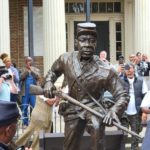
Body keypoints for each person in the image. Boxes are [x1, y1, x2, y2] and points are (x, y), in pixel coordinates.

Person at [43, 22, 129, 150]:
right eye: (83, 40)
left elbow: (122, 94)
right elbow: (52, 72)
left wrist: (113, 111)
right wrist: (49, 82)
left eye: (92, 41)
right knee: (70, 143)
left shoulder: (105, 69)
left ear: (96, 43)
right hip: (73, 106)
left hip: (94, 107)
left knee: (96, 128)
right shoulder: (65, 59)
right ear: (76, 41)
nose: (88, 45)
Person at [120, 63, 148, 150]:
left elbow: (145, 97)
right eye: (126, 69)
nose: (128, 70)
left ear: (134, 69)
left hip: (136, 112)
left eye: (130, 68)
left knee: (135, 135)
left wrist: (144, 112)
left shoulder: (141, 80)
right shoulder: (120, 80)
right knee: (121, 135)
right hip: (123, 113)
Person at [20, 57, 41, 127]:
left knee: (34, 107)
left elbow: (38, 77)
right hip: (25, 92)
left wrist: (31, 70)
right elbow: (21, 78)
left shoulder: (36, 70)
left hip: (33, 92)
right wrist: (27, 71)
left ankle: (33, 123)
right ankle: (25, 123)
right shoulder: (22, 70)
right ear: (25, 62)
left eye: (30, 60)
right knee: (24, 107)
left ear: (32, 61)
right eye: (28, 61)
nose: (29, 62)